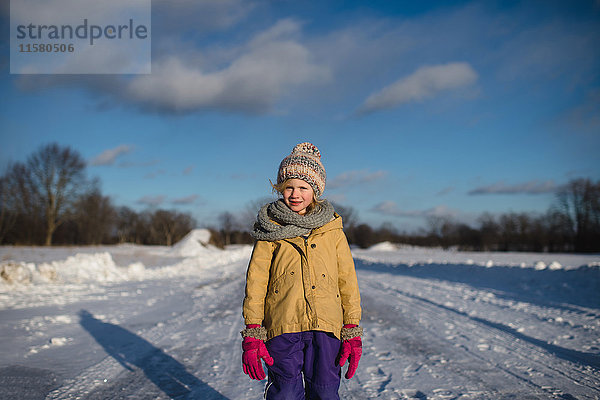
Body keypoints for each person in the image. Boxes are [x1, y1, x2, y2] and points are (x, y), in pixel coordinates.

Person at [241, 142, 363, 399]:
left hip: (327, 328)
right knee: (285, 393)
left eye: (303, 187)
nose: (295, 194)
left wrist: (351, 326)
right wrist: (253, 329)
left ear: (315, 190)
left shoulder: (332, 230)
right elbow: (257, 281)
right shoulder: (270, 229)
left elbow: (347, 280)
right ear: (280, 189)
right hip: (283, 326)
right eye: (289, 187)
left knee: (326, 392)